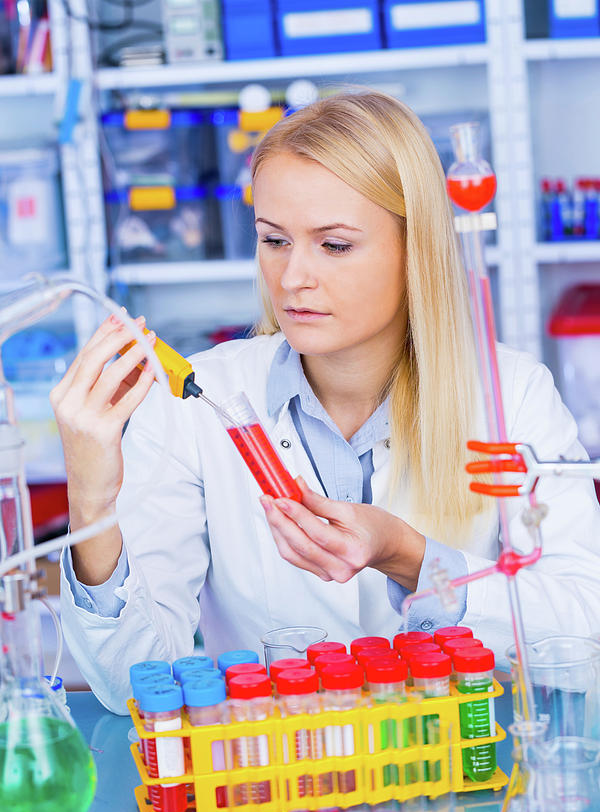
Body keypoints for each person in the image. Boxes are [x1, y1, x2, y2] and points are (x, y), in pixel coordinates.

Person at [52, 90, 600, 715]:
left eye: (333, 245)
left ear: (413, 247)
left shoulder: (512, 394)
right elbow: (131, 686)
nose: (291, 279)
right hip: (279, 789)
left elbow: (582, 635)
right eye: (274, 240)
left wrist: (410, 557)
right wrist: (91, 502)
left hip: (465, 780)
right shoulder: (195, 404)